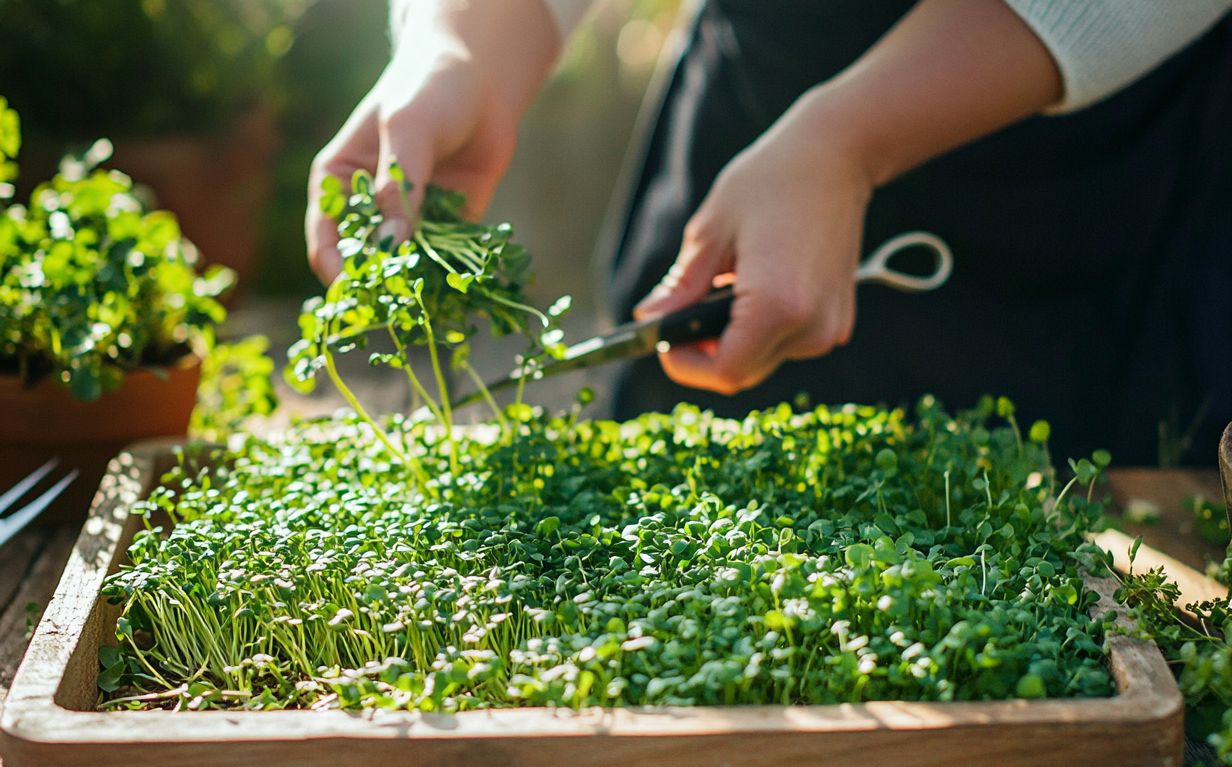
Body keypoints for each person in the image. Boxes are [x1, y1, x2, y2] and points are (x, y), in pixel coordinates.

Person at [307, 0, 1232, 466]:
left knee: (1082, 567)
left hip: (1083, 170)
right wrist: (462, 42)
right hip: (755, 113)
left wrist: (850, 141)